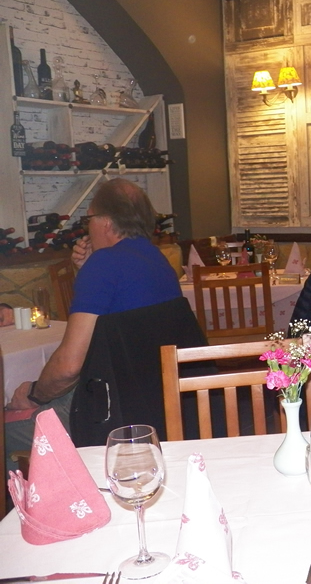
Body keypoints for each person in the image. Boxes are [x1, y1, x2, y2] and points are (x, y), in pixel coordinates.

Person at [5, 178, 182, 468]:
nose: (87, 228)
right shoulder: (158, 261)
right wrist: (89, 269)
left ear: (106, 222)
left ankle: (40, 498)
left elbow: (68, 368)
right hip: (154, 401)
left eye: (89, 219)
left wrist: (33, 394)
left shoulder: (104, 266)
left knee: (7, 430)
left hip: (109, 412)